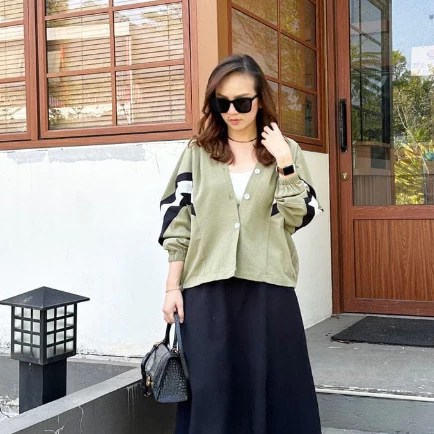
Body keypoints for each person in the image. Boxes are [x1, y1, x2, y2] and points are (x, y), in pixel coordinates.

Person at [158, 54, 322, 434]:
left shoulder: (286, 150)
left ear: (260, 101)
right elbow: (178, 220)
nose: (232, 111)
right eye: (223, 102)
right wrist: (172, 287)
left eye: (242, 102)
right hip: (206, 288)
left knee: (273, 388)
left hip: (268, 288)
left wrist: (284, 162)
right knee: (212, 389)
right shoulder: (198, 152)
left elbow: (298, 216)